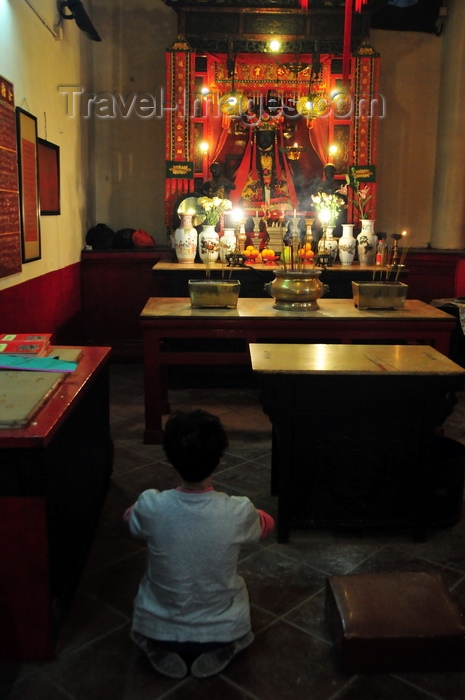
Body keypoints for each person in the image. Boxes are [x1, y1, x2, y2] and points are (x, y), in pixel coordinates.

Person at [123, 409, 275, 680]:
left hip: (160, 627)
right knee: (239, 592)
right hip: (221, 629)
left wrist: (141, 510)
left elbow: (129, 519)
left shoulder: (152, 506)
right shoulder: (238, 511)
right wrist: (257, 516)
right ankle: (228, 645)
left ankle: (154, 645)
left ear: (169, 457)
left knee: (145, 589)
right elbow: (267, 525)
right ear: (219, 457)